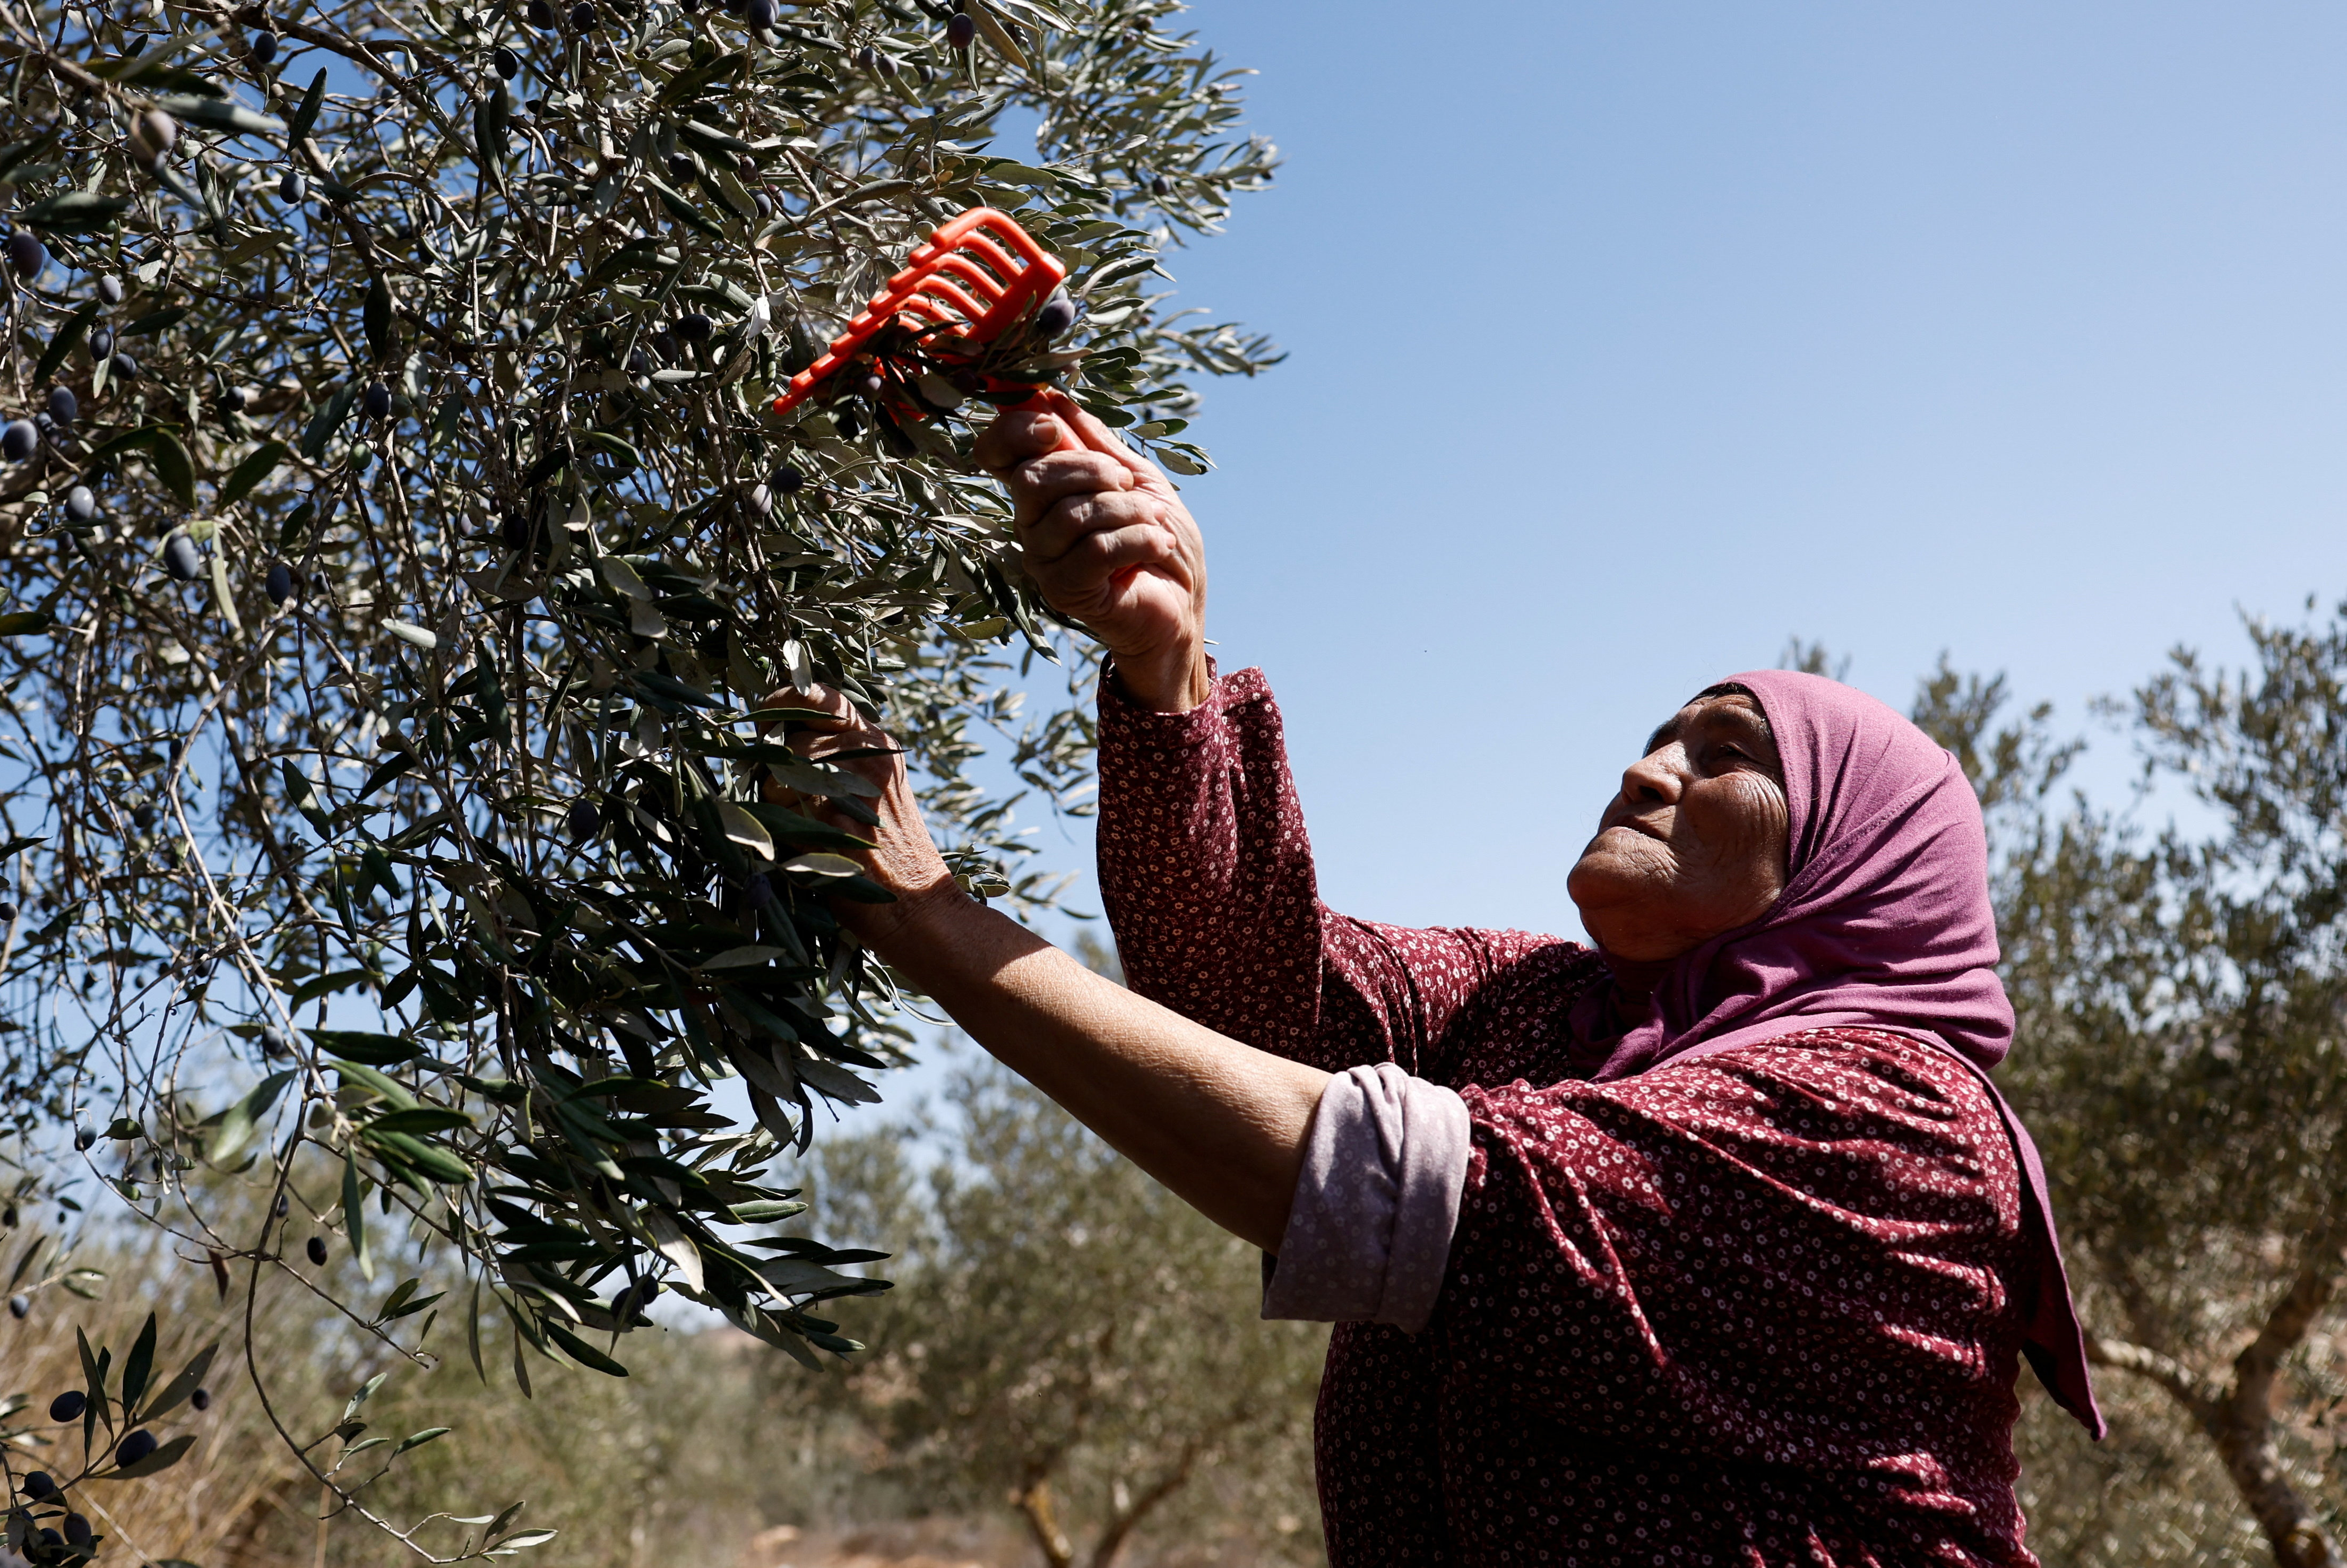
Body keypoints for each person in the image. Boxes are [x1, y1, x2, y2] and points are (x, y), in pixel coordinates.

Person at [779, 394, 2101, 1568]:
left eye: (1724, 753)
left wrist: (922, 914)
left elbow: (1390, 1193)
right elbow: (1238, 1002)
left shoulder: (1891, 1118)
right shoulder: (1535, 1009)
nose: (1644, 770)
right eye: (1652, 737)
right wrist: (1164, 661)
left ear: (1854, 860)